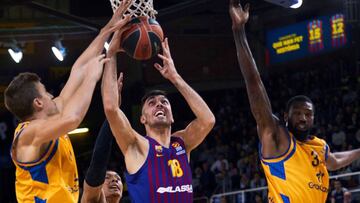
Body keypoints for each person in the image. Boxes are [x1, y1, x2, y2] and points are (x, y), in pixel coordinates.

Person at [229, 0, 360, 202]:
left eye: (308, 114)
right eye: (297, 113)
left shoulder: (318, 146)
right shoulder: (277, 138)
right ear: (285, 116)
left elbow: (332, 161)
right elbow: (254, 83)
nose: (303, 118)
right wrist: (239, 31)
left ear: (314, 118)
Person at [4, 1, 130, 201]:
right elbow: (73, 118)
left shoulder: (50, 121)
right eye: (46, 93)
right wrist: (92, 78)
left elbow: (78, 69)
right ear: (38, 103)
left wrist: (108, 29)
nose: (52, 96)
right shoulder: (29, 134)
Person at [102, 35, 215, 202]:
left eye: (164, 102)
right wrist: (111, 53)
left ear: (172, 116)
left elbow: (208, 120)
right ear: (143, 119)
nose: (159, 105)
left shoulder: (182, 143)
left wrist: (175, 78)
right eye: (152, 103)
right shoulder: (136, 145)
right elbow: (111, 108)